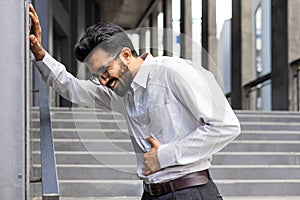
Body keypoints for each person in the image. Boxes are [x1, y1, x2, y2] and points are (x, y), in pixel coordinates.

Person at [29, 4, 240, 200]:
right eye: (97, 76)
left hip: (190, 192)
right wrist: (40, 55)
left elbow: (226, 126)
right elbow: (72, 88)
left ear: (126, 54)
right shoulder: (122, 93)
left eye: (105, 71)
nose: (102, 81)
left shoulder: (175, 72)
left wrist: (164, 156)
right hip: (151, 193)